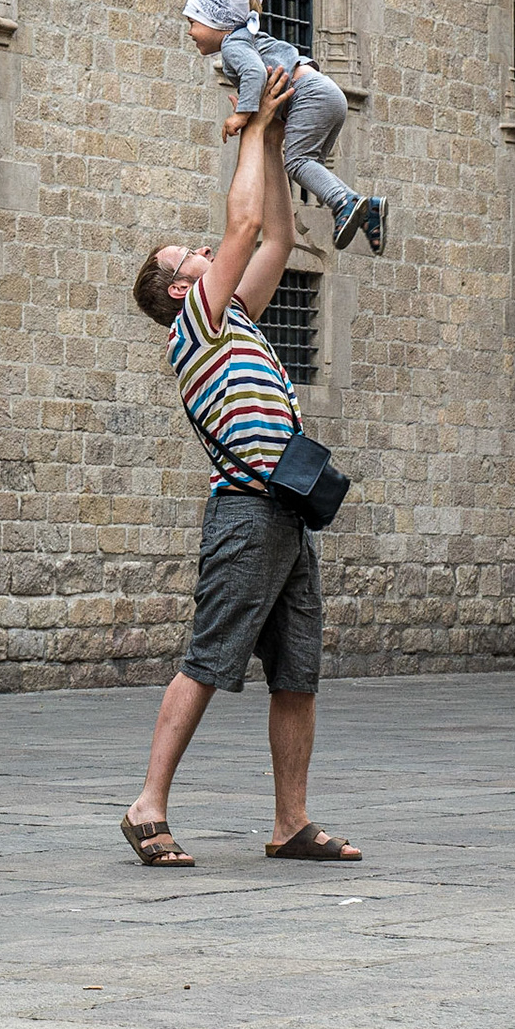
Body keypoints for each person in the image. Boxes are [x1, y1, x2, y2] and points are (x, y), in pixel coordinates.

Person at [125, 65, 363, 869]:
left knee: (297, 671)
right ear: (176, 285)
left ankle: (290, 821)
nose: (201, 251)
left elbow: (276, 240)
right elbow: (236, 233)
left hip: (289, 512)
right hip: (246, 511)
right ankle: (146, 805)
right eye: (184, 254)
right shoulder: (193, 323)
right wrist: (255, 130)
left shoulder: (238, 319)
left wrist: (287, 157)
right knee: (210, 657)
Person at [185, 0, 385, 256]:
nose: (190, 32)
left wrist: (241, 115)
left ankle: (344, 203)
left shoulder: (233, 45)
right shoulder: (248, 40)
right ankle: (366, 209)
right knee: (309, 164)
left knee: (297, 161)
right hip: (327, 93)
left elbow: (253, 72)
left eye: (193, 22)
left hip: (308, 95)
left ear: (218, 22)